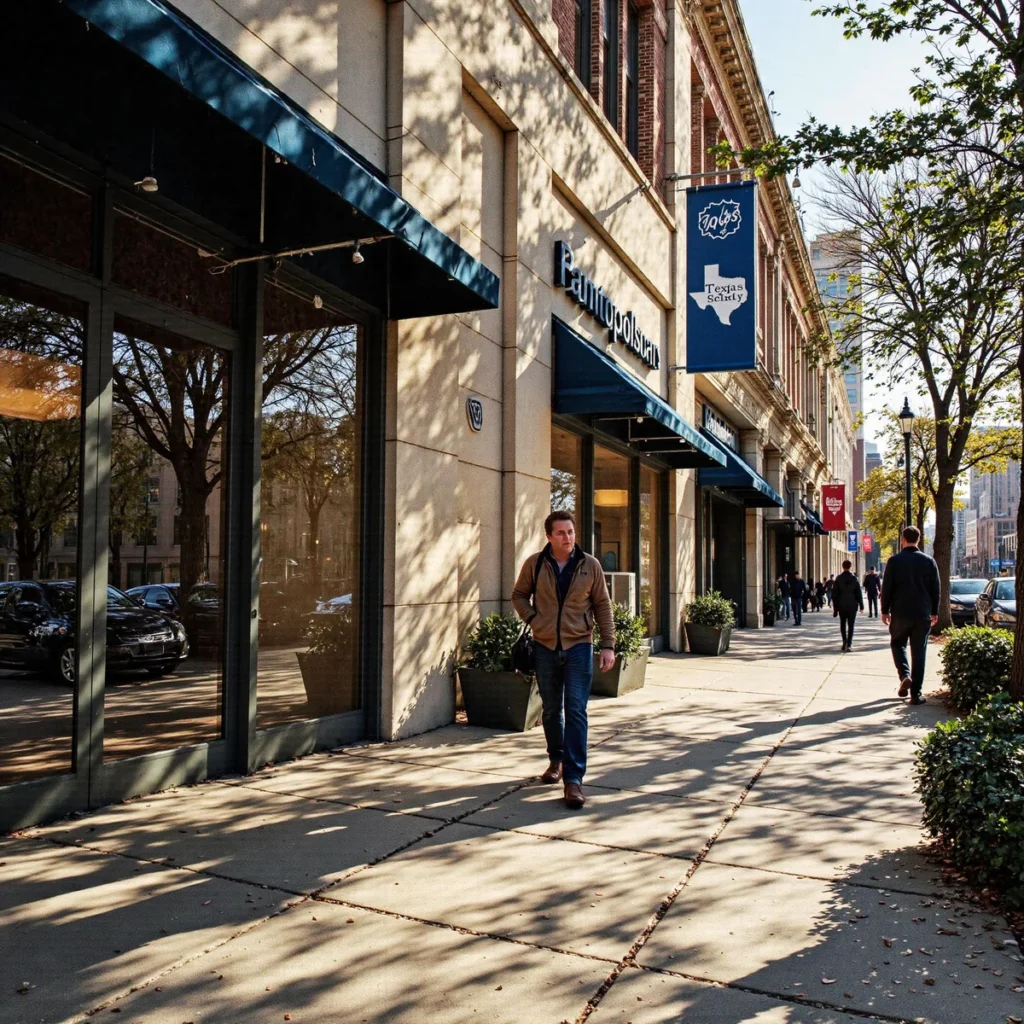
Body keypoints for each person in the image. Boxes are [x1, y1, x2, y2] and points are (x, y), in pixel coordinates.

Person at [512, 510, 615, 809]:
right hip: (544, 646)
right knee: (550, 710)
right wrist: (535, 620)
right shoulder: (535, 564)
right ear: (548, 536)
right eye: (560, 533)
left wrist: (608, 645)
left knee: (576, 710)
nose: (567, 537)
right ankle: (555, 759)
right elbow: (519, 595)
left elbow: (603, 606)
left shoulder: (589, 565)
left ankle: (574, 780)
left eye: (570, 531)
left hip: (580, 645)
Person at [881, 526, 940, 705]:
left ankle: (905, 675)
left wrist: (884, 610)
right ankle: (916, 694)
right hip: (922, 613)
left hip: (900, 613)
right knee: (919, 652)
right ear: (919, 540)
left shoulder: (894, 561)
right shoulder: (929, 561)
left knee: (897, 643)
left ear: (903, 540)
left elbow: (887, 588)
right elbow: (936, 589)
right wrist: (934, 612)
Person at [832, 559, 864, 652]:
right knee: (851, 625)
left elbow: (834, 594)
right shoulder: (854, 579)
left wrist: (835, 608)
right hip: (852, 605)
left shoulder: (838, 578)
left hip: (841, 605)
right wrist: (861, 606)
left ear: (843, 567)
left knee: (842, 624)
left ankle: (844, 642)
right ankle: (849, 644)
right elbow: (858, 593)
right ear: (851, 567)